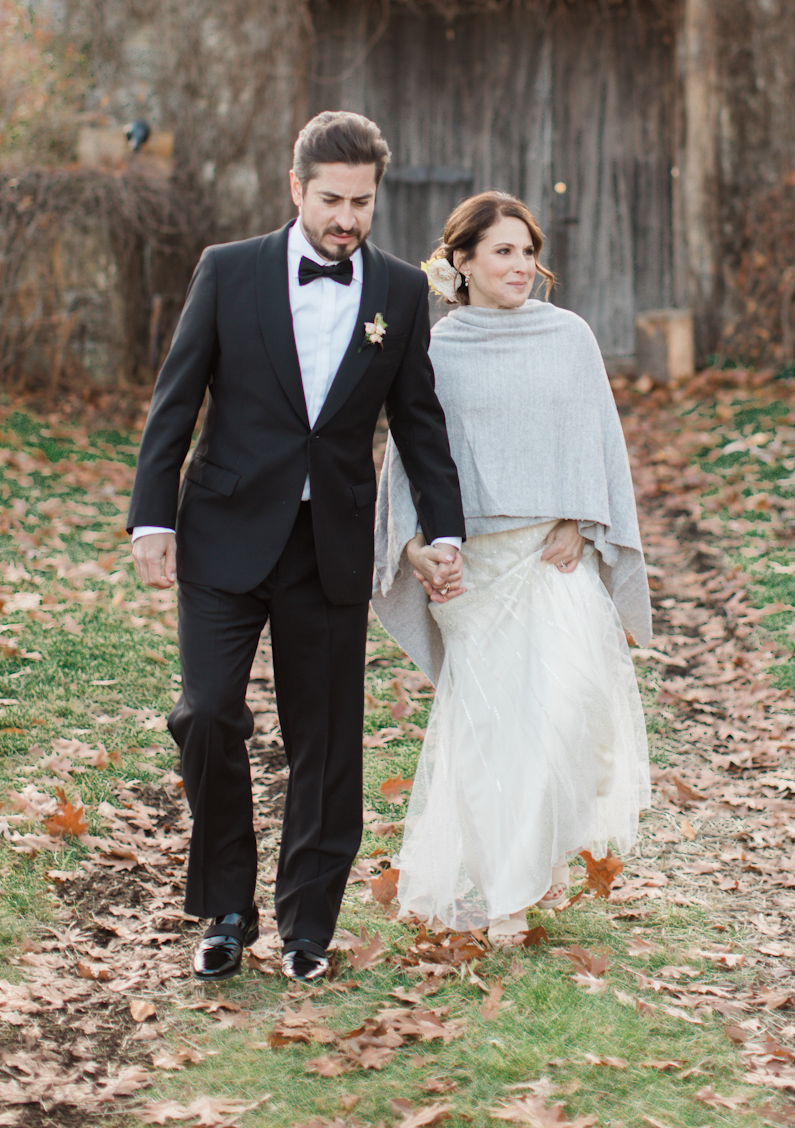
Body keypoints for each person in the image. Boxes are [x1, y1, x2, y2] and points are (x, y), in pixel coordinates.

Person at [128, 111, 466, 983]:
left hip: (330, 543)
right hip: (224, 533)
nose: (346, 219)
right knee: (206, 714)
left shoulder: (397, 290)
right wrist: (151, 518)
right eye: (331, 200)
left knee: (327, 741)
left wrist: (446, 527)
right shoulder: (228, 272)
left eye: (361, 202)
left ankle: (307, 924)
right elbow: (177, 401)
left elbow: (419, 422)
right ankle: (226, 909)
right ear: (295, 189)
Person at [373, 192, 651, 940]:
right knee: (494, 730)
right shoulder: (435, 348)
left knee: (567, 717)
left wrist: (579, 523)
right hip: (475, 569)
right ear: (459, 263)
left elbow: (598, 443)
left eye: (528, 251)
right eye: (503, 251)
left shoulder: (571, 338)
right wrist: (411, 551)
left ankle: (538, 862)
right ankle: (507, 900)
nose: (521, 265)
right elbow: (408, 461)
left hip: (555, 558)